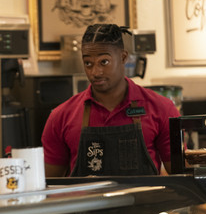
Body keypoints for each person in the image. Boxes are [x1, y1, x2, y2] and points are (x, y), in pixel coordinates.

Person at [42, 23, 181, 177]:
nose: (95, 72)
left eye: (104, 62)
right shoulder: (61, 116)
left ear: (123, 57)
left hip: (144, 201)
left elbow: (182, 178)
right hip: (86, 200)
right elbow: (50, 184)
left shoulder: (161, 108)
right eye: (88, 63)